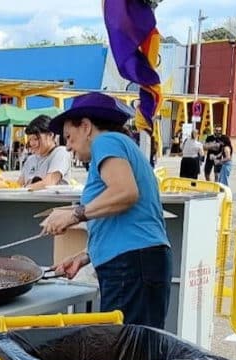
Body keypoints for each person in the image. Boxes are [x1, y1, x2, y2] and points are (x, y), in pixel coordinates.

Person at [39, 92, 171, 328]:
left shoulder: (106, 142)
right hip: (136, 261)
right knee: (133, 351)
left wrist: (73, 214)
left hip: (132, 265)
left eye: (69, 137)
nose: (68, 147)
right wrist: (86, 255)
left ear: (86, 127)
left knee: (127, 354)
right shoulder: (116, 146)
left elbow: (125, 193)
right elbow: (120, 216)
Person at [0, 114, 72, 190]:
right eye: (30, 139)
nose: (32, 143)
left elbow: (49, 183)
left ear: (50, 135)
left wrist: (22, 189)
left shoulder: (61, 152)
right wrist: (5, 184)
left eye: (36, 139)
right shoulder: (30, 159)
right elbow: (19, 184)